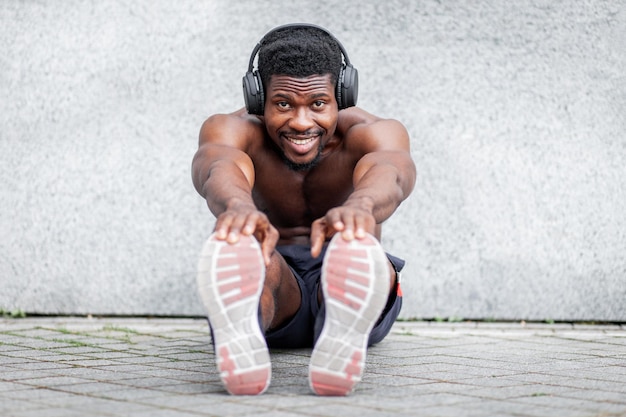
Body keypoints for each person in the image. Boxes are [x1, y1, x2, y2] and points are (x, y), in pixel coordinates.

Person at [191, 23, 416, 396]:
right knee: (253, 256)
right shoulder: (233, 130)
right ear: (257, 98)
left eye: (317, 104)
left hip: (346, 264)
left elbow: (392, 172)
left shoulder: (372, 133)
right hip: (280, 282)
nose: (301, 122)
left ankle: (345, 311)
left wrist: (360, 205)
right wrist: (238, 206)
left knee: (355, 248)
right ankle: (246, 325)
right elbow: (217, 166)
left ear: (341, 96)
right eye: (283, 104)